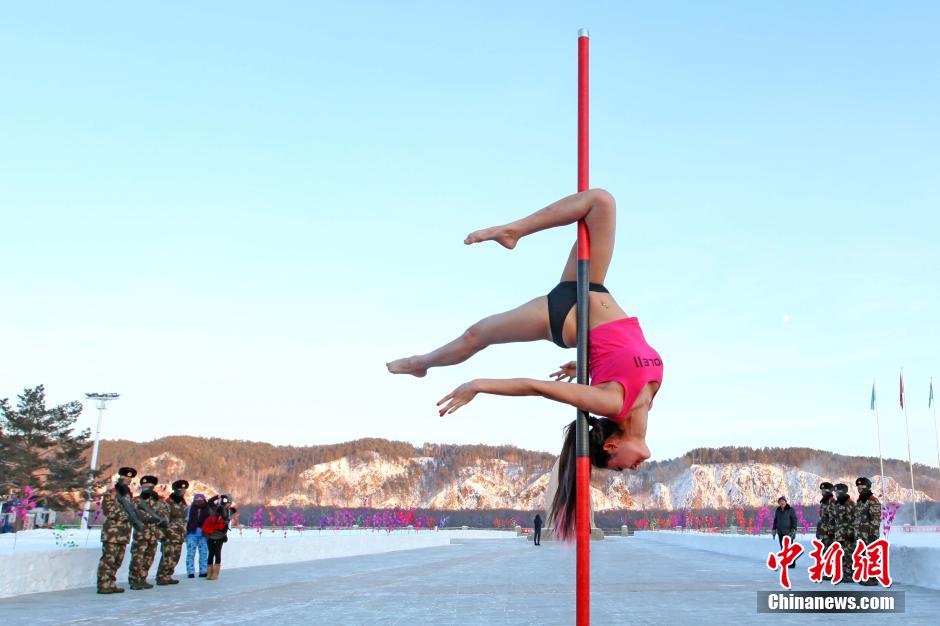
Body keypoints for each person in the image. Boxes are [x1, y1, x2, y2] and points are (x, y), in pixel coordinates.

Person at [387, 190, 663, 540]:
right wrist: (583, 367)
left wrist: (479, 385)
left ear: (610, 446)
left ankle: (421, 363)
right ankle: (513, 231)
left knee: (478, 334)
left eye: (620, 468)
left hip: (564, 315)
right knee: (602, 202)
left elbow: (537, 388)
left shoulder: (612, 402)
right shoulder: (648, 399)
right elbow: (622, 358)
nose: (631, 469)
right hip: (587, 285)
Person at [96, 467, 143, 594]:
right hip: (112, 532)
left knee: (117, 560)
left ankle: (110, 583)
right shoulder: (111, 493)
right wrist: (129, 516)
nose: (128, 481)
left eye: (130, 479)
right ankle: (103, 584)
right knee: (108, 559)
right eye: (126, 478)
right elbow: (109, 510)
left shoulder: (128, 495)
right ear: (120, 478)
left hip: (124, 533)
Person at [128, 475, 169, 590]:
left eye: (150, 486)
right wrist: (151, 517)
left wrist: (159, 518)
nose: (148, 489)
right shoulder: (136, 500)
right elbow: (136, 514)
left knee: (149, 558)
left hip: (154, 534)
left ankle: (143, 578)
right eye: (145, 486)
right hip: (141, 534)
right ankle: (134, 580)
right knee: (137, 557)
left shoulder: (160, 501)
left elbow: (165, 514)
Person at [156, 479, 189, 585]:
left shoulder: (183, 504)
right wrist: (164, 534)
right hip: (170, 534)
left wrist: (185, 532)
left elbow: (184, 519)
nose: (182, 492)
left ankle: (168, 575)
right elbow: (163, 520)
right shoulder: (167, 503)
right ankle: (162, 576)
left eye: (184, 490)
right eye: (180, 490)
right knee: (167, 556)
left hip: (180, 534)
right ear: (175, 491)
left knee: (176, 556)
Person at [854, 477, 881, 586]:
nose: (859, 489)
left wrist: (873, 534)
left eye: (862, 487)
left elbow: (876, 518)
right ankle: (867, 576)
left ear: (868, 487)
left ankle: (873, 579)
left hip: (870, 534)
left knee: (872, 556)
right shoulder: (860, 501)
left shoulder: (872, 500)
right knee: (864, 556)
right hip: (861, 535)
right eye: (858, 487)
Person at [831, 483, 856, 583]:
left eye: (837, 492)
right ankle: (846, 574)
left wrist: (851, 533)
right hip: (839, 535)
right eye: (835, 492)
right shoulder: (837, 504)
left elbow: (854, 520)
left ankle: (851, 575)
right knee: (842, 555)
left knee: (849, 555)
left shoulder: (850, 504)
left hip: (848, 535)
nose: (836, 494)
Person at [185, 493, 211, 578]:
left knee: (203, 553)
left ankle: (203, 571)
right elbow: (187, 520)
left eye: (201, 500)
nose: (199, 501)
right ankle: (190, 571)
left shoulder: (208, 509)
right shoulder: (191, 509)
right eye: (197, 500)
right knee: (191, 553)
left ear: (204, 500)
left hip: (204, 534)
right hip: (192, 533)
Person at [202, 504, 229, 580]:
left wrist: (211, 531)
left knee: (212, 554)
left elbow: (205, 528)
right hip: (217, 537)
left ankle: (210, 574)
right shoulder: (222, 520)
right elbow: (222, 529)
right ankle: (214, 574)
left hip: (211, 537)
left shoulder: (210, 518)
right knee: (216, 553)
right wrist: (214, 530)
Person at [771, 496, 799, 567]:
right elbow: (775, 520)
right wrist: (774, 529)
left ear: (786, 502)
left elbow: (794, 520)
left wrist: (794, 529)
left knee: (789, 548)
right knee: (783, 548)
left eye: (783, 501)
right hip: (780, 532)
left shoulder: (790, 510)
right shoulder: (778, 510)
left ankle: (792, 564)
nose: (781, 502)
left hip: (788, 532)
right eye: (780, 501)